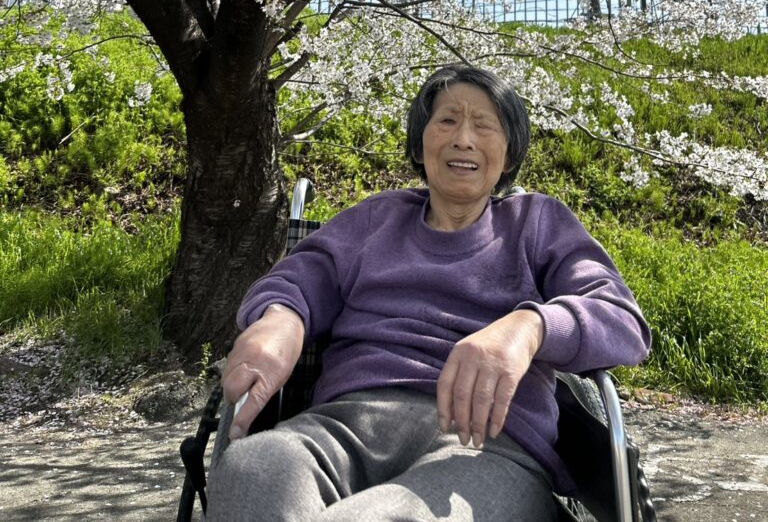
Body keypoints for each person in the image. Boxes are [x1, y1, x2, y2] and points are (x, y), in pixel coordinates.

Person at [206, 64, 651, 522]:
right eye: (447, 121)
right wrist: (281, 318)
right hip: (343, 424)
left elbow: (620, 319)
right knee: (250, 468)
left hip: (487, 448)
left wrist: (529, 327)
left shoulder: (537, 224)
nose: (463, 139)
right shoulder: (374, 219)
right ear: (420, 145)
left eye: (484, 125)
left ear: (509, 154)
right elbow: (300, 276)